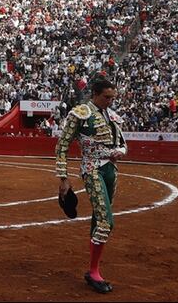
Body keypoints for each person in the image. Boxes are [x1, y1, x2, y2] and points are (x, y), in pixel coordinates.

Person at [55, 79, 127, 294]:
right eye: (106, 97)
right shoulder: (80, 113)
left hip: (110, 170)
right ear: (95, 94)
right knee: (106, 222)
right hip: (91, 168)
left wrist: (120, 152)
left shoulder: (113, 116)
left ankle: (92, 269)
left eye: (113, 97)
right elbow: (62, 147)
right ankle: (94, 272)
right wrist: (63, 178)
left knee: (99, 217)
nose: (110, 101)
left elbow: (122, 143)